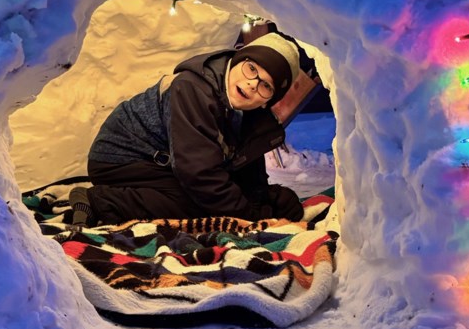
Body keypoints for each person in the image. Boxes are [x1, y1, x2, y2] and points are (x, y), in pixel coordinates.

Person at [69, 32, 306, 227]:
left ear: (268, 100)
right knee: (200, 203)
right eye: (251, 69)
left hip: (168, 163)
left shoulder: (250, 112)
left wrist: (269, 198)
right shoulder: (193, 88)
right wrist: (253, 217)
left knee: (218, 194)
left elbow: (243, 170)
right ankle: (98, 201)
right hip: (120, 159)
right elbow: (199, 175)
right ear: (237, 60)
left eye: (266, 85)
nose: (252, 84)